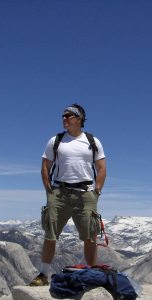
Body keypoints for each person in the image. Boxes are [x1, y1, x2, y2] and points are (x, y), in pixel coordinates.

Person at [29, 103, 106, 286]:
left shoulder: (92, 141)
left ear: (79, 119)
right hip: (59, 192)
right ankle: (44, 275)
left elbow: (101, 168)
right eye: (63, 116)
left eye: (68, 116)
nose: (64, 119)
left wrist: (96, 192)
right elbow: (45, 166)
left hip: (85, 193)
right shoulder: (55, 140)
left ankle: (92, 274)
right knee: (50, 234)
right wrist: (49, 190)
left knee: (90, 236)